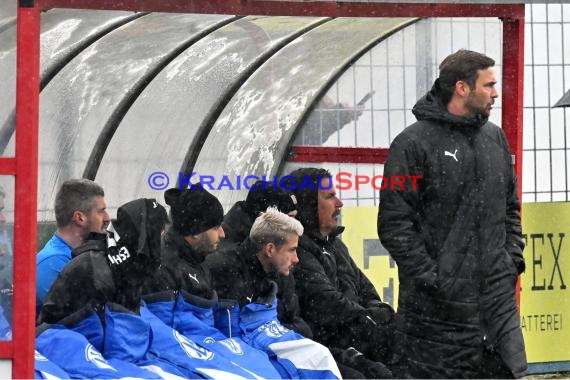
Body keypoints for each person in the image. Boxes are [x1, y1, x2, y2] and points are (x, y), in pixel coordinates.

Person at [377, 49, 527, 378]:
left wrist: (510, 261)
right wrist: (436, 280)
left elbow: (510, 209)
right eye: (488, 85)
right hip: (436, 317)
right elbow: (394, 224)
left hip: (496, 307)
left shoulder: (495, 138)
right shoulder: (411, 144)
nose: (496, 93)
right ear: (461, 88)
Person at [288, 167, 395, 370]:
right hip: (330, 346)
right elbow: (326, 303)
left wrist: (380, 312)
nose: (339, 204)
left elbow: (367, 290)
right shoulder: (297, 248)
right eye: (330, 197)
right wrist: (368, 318)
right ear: (309, 204)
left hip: (357, 335)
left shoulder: (336, 245)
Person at [206, 206, 312, 337]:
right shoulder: (224, 270)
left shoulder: (282, 274)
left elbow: (297, 323)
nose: (296, 259)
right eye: (291, 250)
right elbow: (231, 332)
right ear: (270, 250)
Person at [36, 179, 110, 310]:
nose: (107, 217)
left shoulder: (86, 254)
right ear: (80, 218)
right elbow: (79, 320)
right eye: (101, 211)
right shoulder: (51, 264)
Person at [144, 183, 225, 298]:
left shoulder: (196, 258)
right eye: (216, 227)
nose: (223, 234)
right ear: (196, 232)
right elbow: (164, 314)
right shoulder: (164, 269)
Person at [221, 179, 298, 244]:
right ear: (267, 215)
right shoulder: (233, 241)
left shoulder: (249, 232)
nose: (295, 222)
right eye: (290, 217)